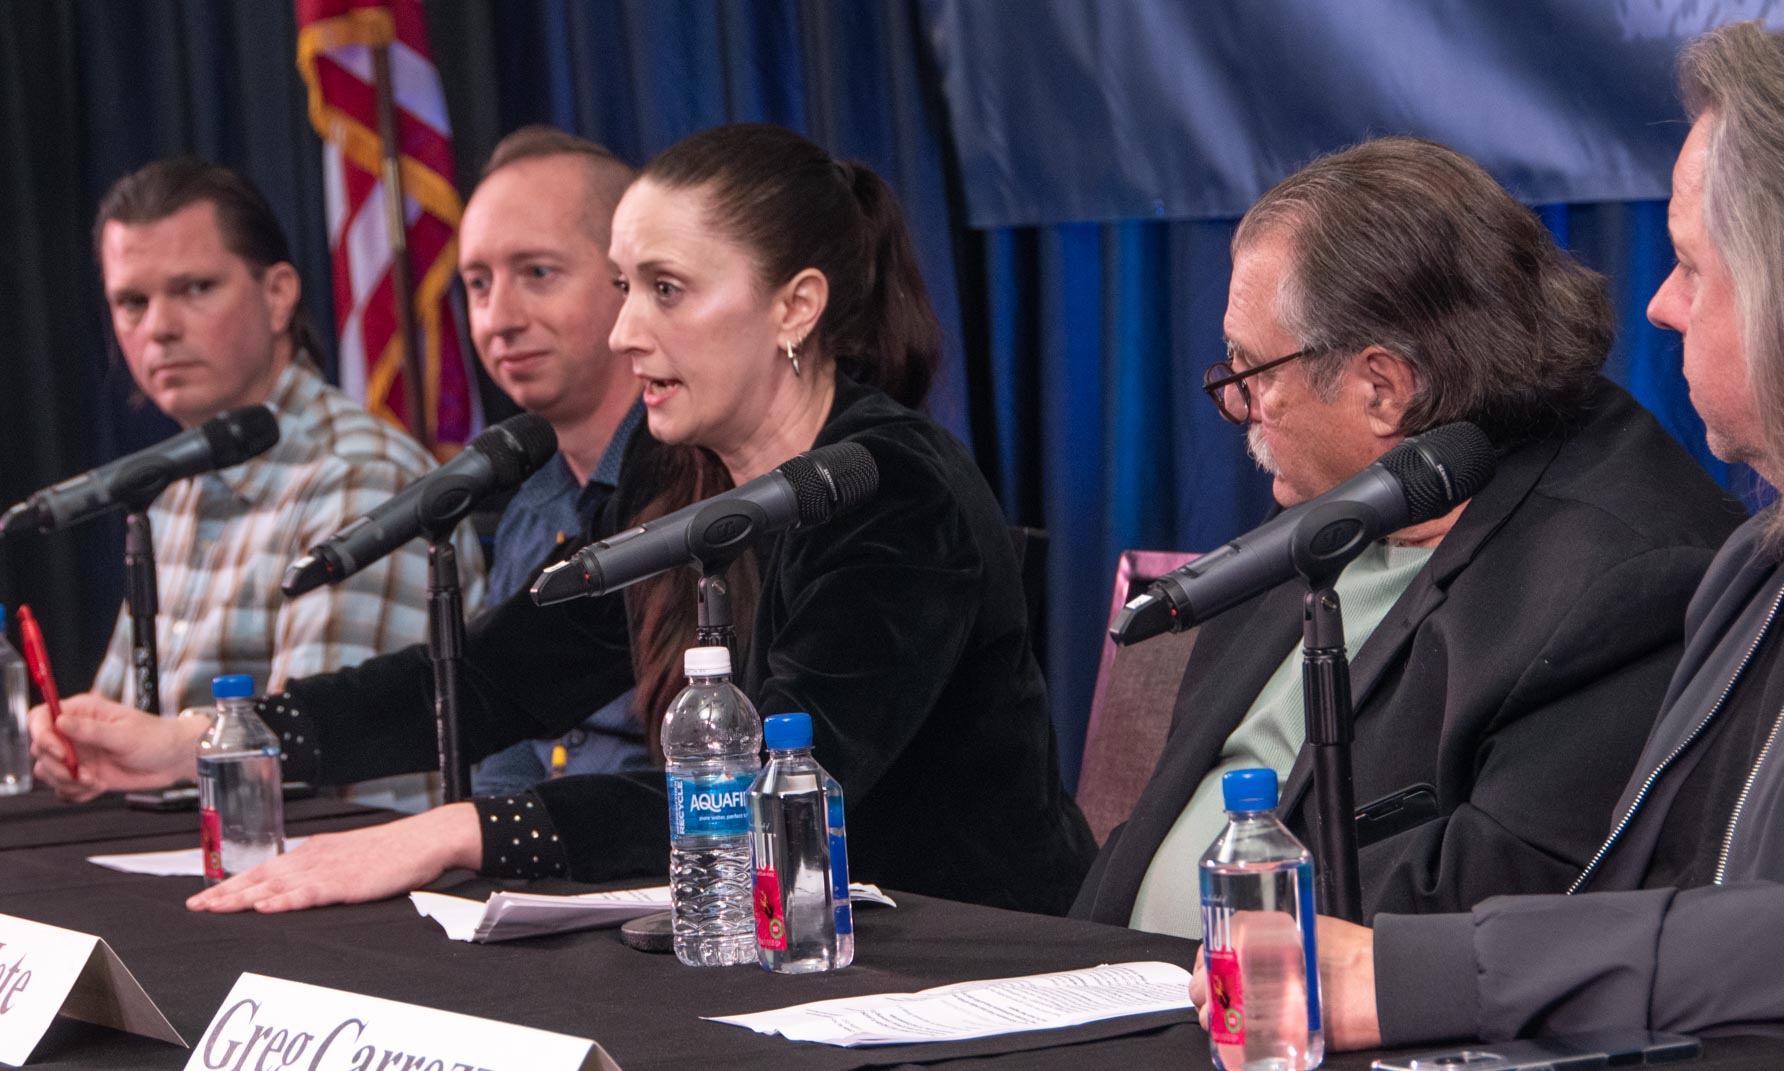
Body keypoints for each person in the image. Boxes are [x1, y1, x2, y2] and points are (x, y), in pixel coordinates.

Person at [1191, 10, 1784, 1065]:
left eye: (1691, 267)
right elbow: (1653, 908)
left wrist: (1407, 978)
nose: (1660, 308)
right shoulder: (1766, 569)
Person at [35, 124, 1095, 917]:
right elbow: (495, 677)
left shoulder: (890, 487)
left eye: (667, 291)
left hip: (973, 951)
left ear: (795, 307)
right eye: (626, 287)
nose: (627, 331)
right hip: (783, 945)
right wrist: (204, 743)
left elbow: (779, 782)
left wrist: (462, 833)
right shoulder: (686, 475)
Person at [1070, 137, 1744, 940]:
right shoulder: (1330, 509)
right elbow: (1151, 833)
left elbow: (1496, 908)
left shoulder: (1624, 573)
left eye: (1255, 375)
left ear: (1384, 387)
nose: (1242, 409)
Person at [69, 159, 480, 807]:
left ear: (279, 293)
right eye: (132, 302)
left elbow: (316, 763)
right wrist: (73, 739)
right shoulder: (173, 485)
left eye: (195, 288)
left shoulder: (358, 478)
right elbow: (122, 730)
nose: (159, 328)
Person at [453, 127, 655, 794]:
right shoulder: (530, 509)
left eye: (537, 273)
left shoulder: (693, 486)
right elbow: (504, 749)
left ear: (630, 281)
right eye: (478, 283)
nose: (498, 316)